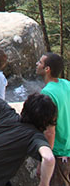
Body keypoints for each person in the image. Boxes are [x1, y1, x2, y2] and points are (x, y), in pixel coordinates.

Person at [0, 89, 56, 186]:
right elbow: (49, 158)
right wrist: (44, 183)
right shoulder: (35, 137)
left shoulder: (7, 113)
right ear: (47, 121)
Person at [36, 52, 70, 185]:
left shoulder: (47, 93)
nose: (37, 64)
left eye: (40, 62)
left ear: (47, 69)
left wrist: (43, 162)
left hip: (58, 155)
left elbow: (50, 132)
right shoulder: (67, 84)